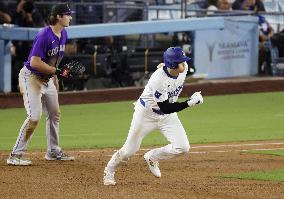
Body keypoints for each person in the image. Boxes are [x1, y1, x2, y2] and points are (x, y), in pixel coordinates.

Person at [103, 47, 204, 185]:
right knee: (129, 150)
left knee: (182, 147)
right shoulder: (158, 80)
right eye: (181, 61)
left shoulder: (183, 68)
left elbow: (168, 107)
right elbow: (166, 108)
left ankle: (152, 157)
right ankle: (109, 170)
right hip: (146, 114)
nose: (185, 63)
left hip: (167, 117)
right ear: (173, 65)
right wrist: (189, 103)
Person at [7, 3, 75, 166]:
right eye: (67, 14)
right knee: (34, 117)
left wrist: (55, 78)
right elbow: (35, 62)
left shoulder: (63, 33)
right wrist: (56, 71)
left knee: (54, 113)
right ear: (58, 16)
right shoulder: (44, 34)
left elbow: (56, 59)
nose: (70, 17)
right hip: (31, 77)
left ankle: (53, 151)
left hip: (47, 79)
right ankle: (15, 155)